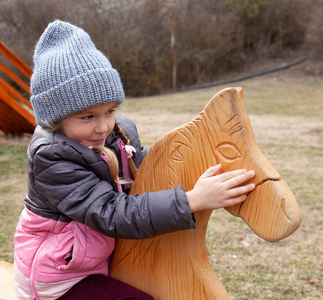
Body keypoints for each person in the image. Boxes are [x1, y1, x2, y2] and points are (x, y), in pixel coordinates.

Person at [13, 20, 256, 300]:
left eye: (110, 111)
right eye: (87, 116)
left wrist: (195, 163)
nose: (103, 126)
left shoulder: (118, 134)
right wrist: (193, 201)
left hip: (99, 257)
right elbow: (111, 212)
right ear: (56, 119)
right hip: (60, 275)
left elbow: (148, 168)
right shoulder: (52, 157)